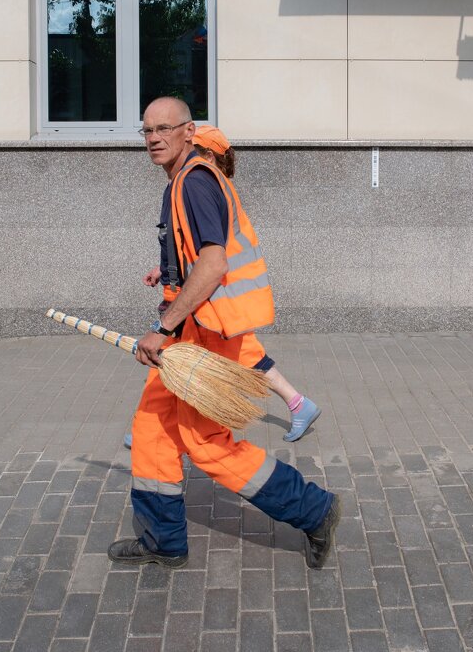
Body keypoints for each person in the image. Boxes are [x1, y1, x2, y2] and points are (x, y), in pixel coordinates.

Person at [108, 96, 340, 570]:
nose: (153, 138)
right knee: (152, 431)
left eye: (164, 128)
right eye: (146, 130)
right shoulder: (186, 180)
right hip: (192, 335)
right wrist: (169, 270)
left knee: (207, 445)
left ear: (188, 132)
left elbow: (214, 265)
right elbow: (202, 253)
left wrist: (161, 329)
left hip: (202, 337)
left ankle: (314, 510)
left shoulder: (193, 182)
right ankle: (163, 540)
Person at [127, 124, 321, 445]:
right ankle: (297, 403)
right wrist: (165, 270)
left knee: (181, 357)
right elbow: (190, 245)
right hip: (212, 298)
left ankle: (154, 429)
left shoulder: (200, 186)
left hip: (213, 299)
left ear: (203, 154)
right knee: (187, 357)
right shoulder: (205, 185)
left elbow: (211, 255)